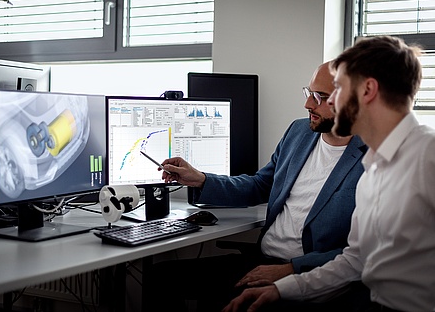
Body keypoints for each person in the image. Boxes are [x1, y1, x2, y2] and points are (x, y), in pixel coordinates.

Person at [222, 36, 435, 312]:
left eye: (338, 90)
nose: (330, 101)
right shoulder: (373, 166)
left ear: (368, 90)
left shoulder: (427, 155)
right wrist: (280, 290)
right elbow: (356, 259)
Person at [144, 62, 368, 312]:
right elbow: (260, 185)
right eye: (309, 93)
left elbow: (366, 252)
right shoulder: (299, 132)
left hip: (312, 274)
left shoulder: (378, 159)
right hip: (261, 261)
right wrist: (200, 179)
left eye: (321, 97)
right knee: (161, 276)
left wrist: (291, 269)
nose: (308, 105)